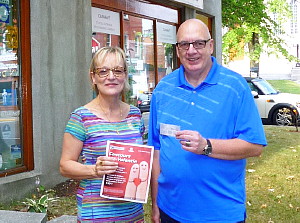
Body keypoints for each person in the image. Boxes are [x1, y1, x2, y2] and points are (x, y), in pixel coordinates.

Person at [148, 19, 267, 223]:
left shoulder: (235, 87)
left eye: (199, 44)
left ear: (211, 46)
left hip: (221, 213)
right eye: (184, 44)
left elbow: (255, 146)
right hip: (171, 210)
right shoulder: (163, 89)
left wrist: (207, 146)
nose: (191, 51)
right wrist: (155, 203)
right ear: (177, 50)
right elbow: (156, 152)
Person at [60, 46, 145, 222]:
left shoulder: (135, 115)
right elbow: (65, 166)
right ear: (93, 77)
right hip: (96, 213)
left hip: (132, 213)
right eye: (103, 71)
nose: (111, 77)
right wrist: (94, 170)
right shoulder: (81, 117)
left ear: (125, 75)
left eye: (118, 70)